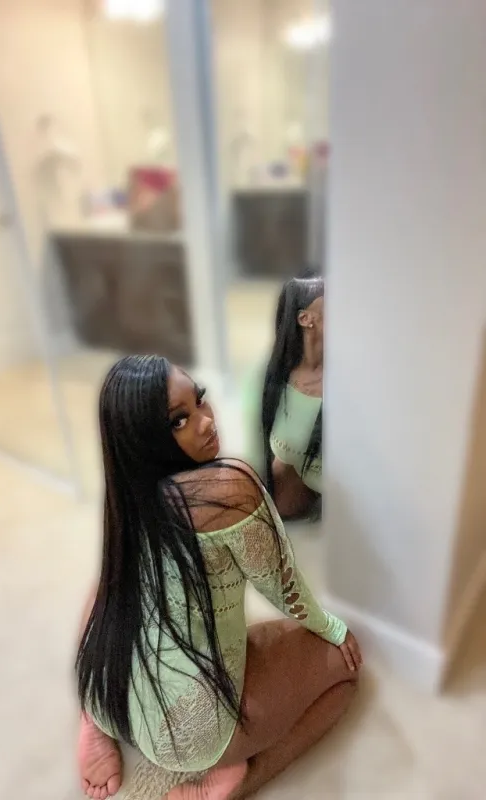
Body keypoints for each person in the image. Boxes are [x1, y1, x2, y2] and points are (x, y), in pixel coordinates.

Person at [75, 354, 361, 800]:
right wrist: (332, 628)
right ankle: (235, 780)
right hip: (190, 731)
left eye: (200, 400)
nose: (206, 421)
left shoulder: (126, 497)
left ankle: (93, 721)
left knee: (107, 585)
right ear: (146, 439)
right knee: (345, 672)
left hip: (106, 686)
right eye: (179, 420)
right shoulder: (229, 489)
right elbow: (284, 588)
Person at [243, 275, 324, 520]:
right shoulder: (270, 378)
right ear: (305, 318)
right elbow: (257, 454)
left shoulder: (353, 382)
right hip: (289, 516)